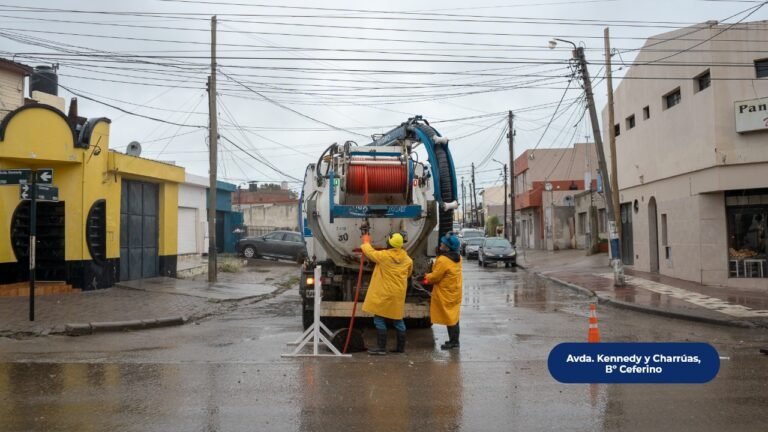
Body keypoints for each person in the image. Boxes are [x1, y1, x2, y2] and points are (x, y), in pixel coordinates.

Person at [361, 232, 413, 355]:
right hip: (398, 293)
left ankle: (381, 348)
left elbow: (370, 253)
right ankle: (400, 348)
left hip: (384, 292)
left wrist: (366, 241)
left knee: (379, 318)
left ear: (389, 243)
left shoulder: (384, 256)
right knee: (398, 319)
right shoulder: (408, 260)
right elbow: (409, 274)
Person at [425, 233, 463, 350]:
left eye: (443, 243)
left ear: (447, 247)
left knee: (450, 318)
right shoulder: (458, 258)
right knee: (454, 317)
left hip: (445, 293)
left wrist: (425, 277)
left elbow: (435, 277)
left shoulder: (443, 260)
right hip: (455, 291)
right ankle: (454, 340)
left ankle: (454, 342)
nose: (441, 243)